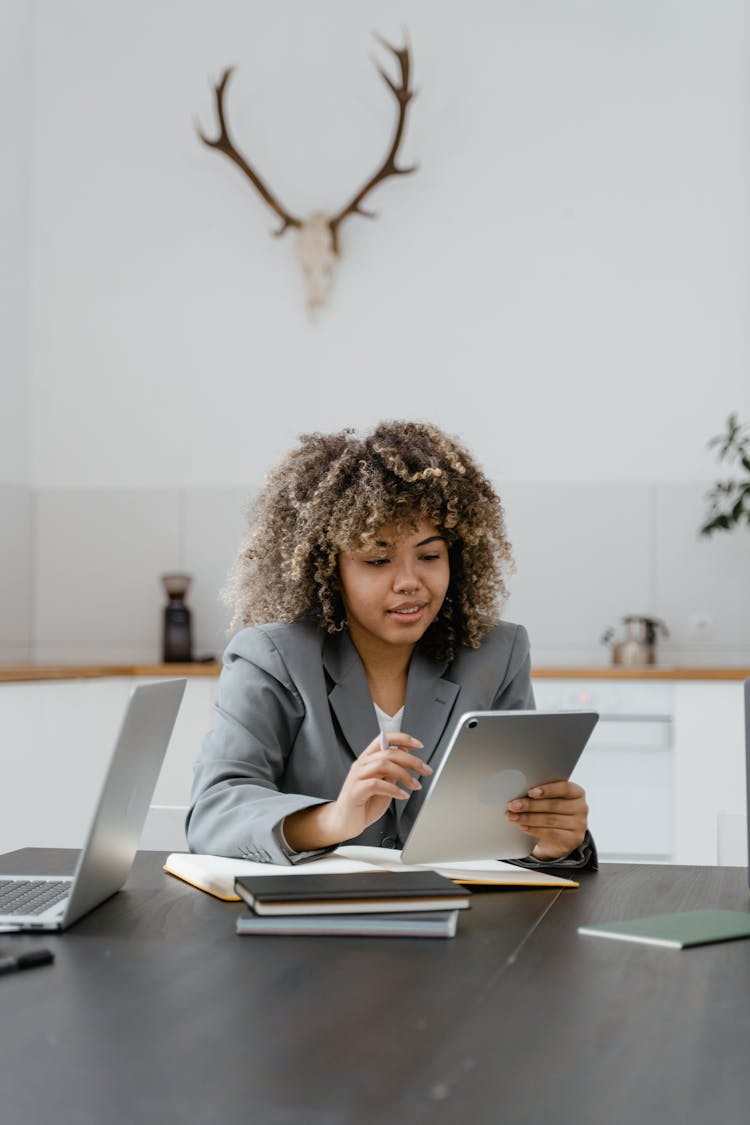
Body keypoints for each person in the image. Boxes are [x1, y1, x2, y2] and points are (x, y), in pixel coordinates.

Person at [186, 421, 595, 869]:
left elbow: (513, 824)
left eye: (429, 556)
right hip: (315, 926)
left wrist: (551, 842)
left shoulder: (496, 653)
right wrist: (331, 820)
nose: (409, 583)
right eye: (378, 560)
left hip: (462, 924)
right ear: (328, 569)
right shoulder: (272, 658)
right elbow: (214, 811)